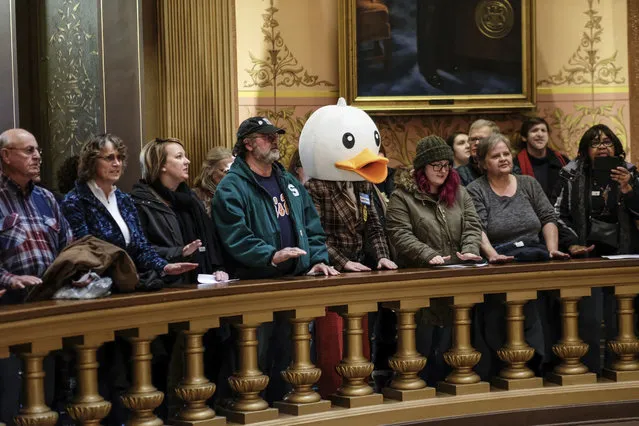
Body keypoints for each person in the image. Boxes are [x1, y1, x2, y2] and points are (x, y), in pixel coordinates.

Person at [213, 117, 337, 402]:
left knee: (290, 359)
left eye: (275, 135)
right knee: (254, 361)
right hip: (255, 289)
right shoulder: (232, 187)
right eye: (266, 136)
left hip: (292, 284)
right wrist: (270, 255)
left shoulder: (288, 181)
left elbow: (312, 226)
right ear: (248, 143)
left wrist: (317, 258)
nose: (275, 140)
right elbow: (236, 237)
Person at [466, 132, 569, 380]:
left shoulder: (528, 184)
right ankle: (505, 369)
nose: (503, 159)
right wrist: (492, 256)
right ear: (482, 163)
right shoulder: (475, 189)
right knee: (499, 323)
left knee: (538, 318)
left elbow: (548, 217)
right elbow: (476, 227)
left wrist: (552, 248)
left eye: (505, 154)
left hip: (535, 258)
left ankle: (537, 367)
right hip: (500, 264)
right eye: (495, 156)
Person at [386, 135, 482, 385]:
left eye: (446, 165)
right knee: (421, 349)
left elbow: (472, 225)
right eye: (436, 165)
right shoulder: (402, 196)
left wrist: (471, 248)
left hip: (455, 281)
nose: (443, 170)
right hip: (419, 285)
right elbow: (399, 233)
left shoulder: (460, 193)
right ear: (422, 168)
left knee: (453, 348)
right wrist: (428, 255)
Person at [553, 124, 639, 374]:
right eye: (595, 142)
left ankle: (622, 371)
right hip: (586, 257)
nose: (602, 146)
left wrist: (628, 189)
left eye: (608, 142)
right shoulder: (570, 174)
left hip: (624, 255)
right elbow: (557, 214)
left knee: (621, 318)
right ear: (583, 151)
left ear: (617, 149)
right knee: (588, 319)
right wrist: (571, 243)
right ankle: (589, 372)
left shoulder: (631, 173)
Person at [0, 128, 72, 424]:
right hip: (10, 312)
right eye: (29, 151)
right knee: (14, 398)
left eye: (38, 150)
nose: (38, 157)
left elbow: (68, 246)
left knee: (48, 394)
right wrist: (9, 279)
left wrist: (77, 272)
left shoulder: (47, 198)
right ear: (5, 156)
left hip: (49, 308)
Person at [61, 133, 197, 278]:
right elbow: (82, 251)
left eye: (119, 158)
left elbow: (141, 248)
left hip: (126, 283)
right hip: (94, 286)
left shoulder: (124, 200)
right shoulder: (76, 200)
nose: (117, 163)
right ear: (91, 162)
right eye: (109, 158)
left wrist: (164, 266)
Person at [132, 138, 227, 283]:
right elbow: (139, 250)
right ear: (161, 164)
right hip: (165, 286)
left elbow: (210, 241)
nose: (187, 161)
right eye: (179, 157)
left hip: (200, 282)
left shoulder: (190, 199)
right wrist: (180, 252)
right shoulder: (141, 203)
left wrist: (219, 268)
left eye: (185, 156)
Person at [514, 117, 569, 199]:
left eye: (543, 130)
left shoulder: (562, 161)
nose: (540, 134)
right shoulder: (515, 165)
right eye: (534, 130)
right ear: (524, 137)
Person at [192, 146, 233, 218]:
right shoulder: (195, 197)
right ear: (209, 170)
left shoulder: (237, 194)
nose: (231, 176)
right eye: (225, 171)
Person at [457, 119, 500, 186]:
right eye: (473, 139)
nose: (476, 143)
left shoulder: (507, 169)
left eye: (482, 139)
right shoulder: (459, 174)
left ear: (495, 142)